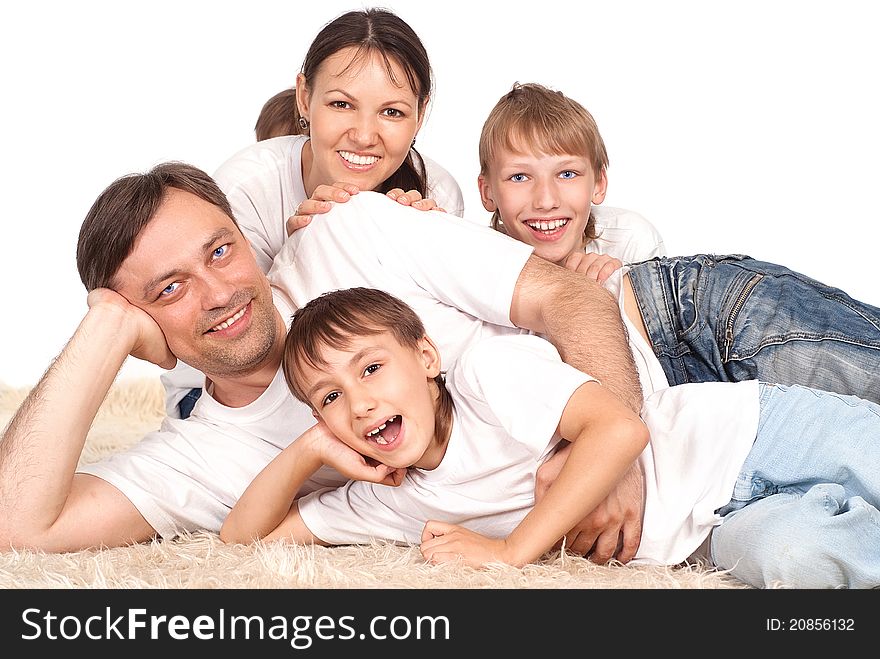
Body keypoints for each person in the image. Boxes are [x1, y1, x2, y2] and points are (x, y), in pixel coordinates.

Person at [0, 161, 639, 554]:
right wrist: (105, 329)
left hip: (669, 320)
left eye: (219, 251)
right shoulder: (197, 458)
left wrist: (618, 471)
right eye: (170, 288)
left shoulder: (350, 230)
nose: (220, 293)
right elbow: (17, 527)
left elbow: (570, 296)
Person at [222, 287, 880, 589]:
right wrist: (309, 447)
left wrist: (511, 550)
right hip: (709, 532)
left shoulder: (488, 372)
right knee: (800, 558)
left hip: (752, 432)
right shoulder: (387, 500)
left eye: (370, 367)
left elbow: (618, 429)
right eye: (328, 397)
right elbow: (239, 540)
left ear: (424, 356)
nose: (359, 401)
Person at [167, 7, 465, 419]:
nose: (363, 135)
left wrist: (413, 244)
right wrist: (307, 251)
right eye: (342, 104)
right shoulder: (247, 188)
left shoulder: (438, 189)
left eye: (392, 111)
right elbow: (236, 342)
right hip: (220, 393)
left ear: (421, 112)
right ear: (305, 97)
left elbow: (429, 341)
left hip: (357, 398)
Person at [478, 82, 666, 282]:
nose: (546, 201)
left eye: (567, 174)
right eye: (519, 177)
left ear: (599, 184)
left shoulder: (631, 242)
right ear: (487, 192)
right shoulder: (475, 268)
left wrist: (621, 291)